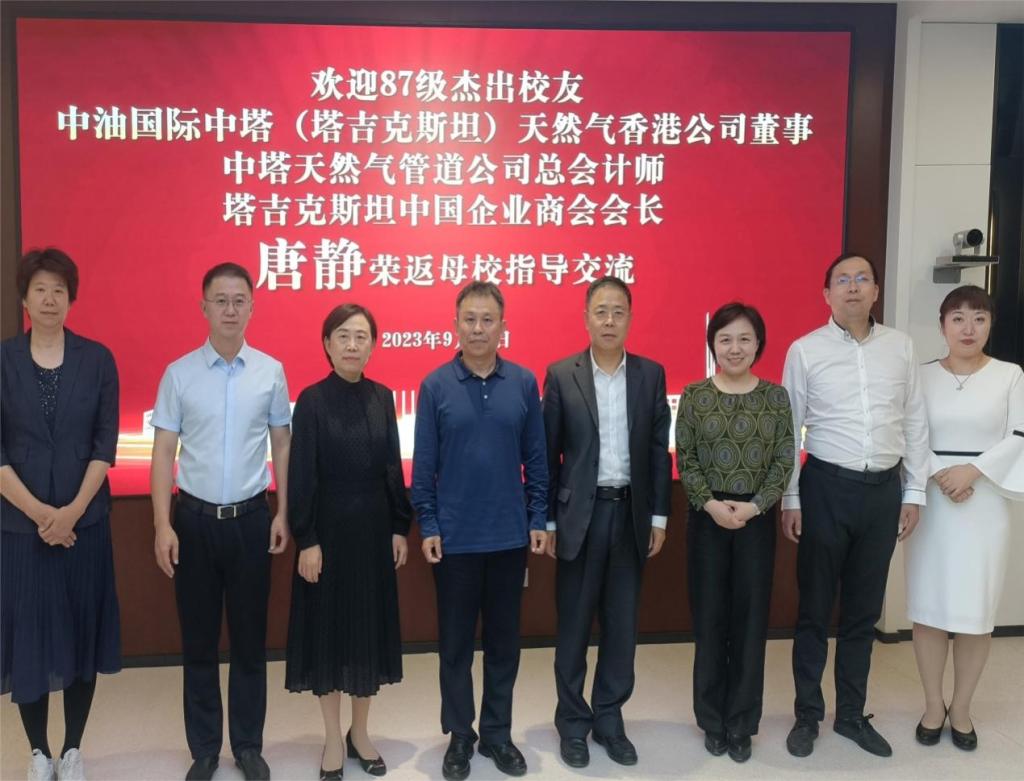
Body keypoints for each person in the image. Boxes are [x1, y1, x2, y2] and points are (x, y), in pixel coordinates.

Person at [781, 253, 929, 759]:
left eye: (862, 278)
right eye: (842, 280)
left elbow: (915, 421)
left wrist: (914, 491)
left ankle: (850, 715)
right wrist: (791, 497)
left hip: (883, 492)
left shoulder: (901, 347)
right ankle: (807, 715)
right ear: (826, 294)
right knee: (814, 611)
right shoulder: (805, 350)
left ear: (875, 291)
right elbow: (789, 429)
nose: (852, 287)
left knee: (864, 613)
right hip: (825, 488)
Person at [150, 262, 291, 781]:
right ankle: (205, 749)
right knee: (199, 642)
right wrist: (162, 525)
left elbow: (282, 445)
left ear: (252, 307)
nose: (230, 310)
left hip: (252, 520)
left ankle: (248, 745)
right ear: (204, 307)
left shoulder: (270, 371)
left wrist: (285, 512)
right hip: (193, 522)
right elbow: (163, 451)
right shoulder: (179, 374)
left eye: (239, 300)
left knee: (250, 643)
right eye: (221, 300)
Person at [411, 281, 548, 781]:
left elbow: (536, 459)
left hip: (509, 538)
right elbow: (424, 467)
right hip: (455, 542)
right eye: (469, 319)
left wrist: (538, 517)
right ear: (455, 325)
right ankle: (460, 735)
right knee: (454, 647)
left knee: (504, 645)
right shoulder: (435, 386)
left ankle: (496, 733)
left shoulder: (524, 383)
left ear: (502, 326)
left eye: (487, 319)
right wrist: (428, 523)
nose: (477, 328)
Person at [541, 276, 671, 769]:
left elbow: (658, 452)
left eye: (618, 311)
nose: (609, 320)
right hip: (580, 515)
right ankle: (573, 723)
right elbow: (548, 454)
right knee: (573, 626)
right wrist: (548, 521)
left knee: (621, 626)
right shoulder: (561, 375)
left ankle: (610, 719)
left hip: (631, 514)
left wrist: (658, 515)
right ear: (586, 318)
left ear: (630, 319)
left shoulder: (650, 374)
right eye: (601, 311)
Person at [1, 248, 121, 781]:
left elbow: (104, 445)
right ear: (24, 299)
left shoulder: (97, 360)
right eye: (40, 290)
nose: (50, 299)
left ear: (71, 299)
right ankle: (38, 752)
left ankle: (72, 749)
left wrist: (71, 513)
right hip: (18, 528)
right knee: (28, 637)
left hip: (84, 525)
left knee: (80, 631)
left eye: (59, 290)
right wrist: (41, 515)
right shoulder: (2, 361)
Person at [285, 303, 411, 779]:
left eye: (361, 336)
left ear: (373, 345)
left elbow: (392, 467)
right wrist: (307, 538)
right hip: (327, 536)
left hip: (373, 534)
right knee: (329, 636)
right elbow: (302, 474)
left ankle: (361, 732)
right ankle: (333, 738)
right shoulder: (312, 400)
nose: (352, 345)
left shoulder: (382, 397)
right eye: (343, 335)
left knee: (366, 635)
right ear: (327, 344)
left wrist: (399, 526)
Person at [905, 285, 1024, 751]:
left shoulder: (1010, 375)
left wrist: (972, 470)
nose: (968, 328)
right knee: (929, 608)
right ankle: (933, 705)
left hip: (985, 500)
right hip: (933, 501)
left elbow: (1019, 433)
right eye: (957, 318)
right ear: (942, 326)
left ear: (991, 324)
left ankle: (961, 707)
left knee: (977, 613)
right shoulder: (920, 375)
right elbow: (909, 431)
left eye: (979, 317)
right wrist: (941, 472)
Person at [676, 302, 794, 763]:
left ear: (758, 344)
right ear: (713, 345)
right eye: (725, 339)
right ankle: (711, 719)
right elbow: (686, 457)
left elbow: (784, 457)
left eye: (745, 338)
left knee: (749, 623)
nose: (735, 348)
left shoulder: (775, 398)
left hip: (755, 519)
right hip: (706, 518)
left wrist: (755, 506)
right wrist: (710, 504)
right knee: (709, 622)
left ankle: (742, 723)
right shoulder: (694, 395)